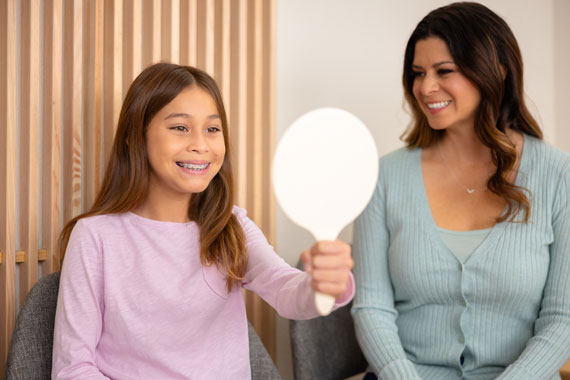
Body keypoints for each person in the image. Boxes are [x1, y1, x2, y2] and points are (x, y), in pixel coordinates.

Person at [52, 63, 354, 379]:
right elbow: (72, 369)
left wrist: (324, 285)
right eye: (180, 127)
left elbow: (287, 291)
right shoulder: (94, 237)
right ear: (134, 137)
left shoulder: (231, 225)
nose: (201, 145)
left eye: (212, 129)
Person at [351, 2, 570, 379]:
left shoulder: (558, 174)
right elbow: (371, 306)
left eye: (444, 71)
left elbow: (562, 317)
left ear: (497, 71)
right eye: (418, 73)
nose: (425, 87)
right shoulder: (383, 176)